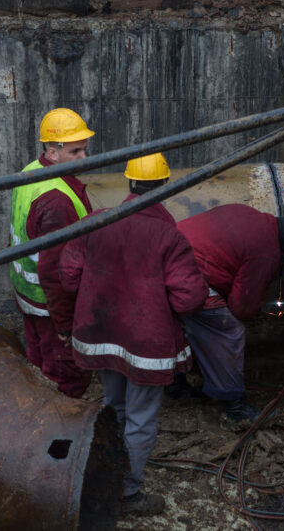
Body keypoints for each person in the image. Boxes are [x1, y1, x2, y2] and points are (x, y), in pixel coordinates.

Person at [59, 153, 207, 516]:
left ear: (129, 184)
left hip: (101, 335)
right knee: (141, 418)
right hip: (146, 345)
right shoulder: (168, 236)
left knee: (115, 407)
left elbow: (68, 276)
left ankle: (106, 476)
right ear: (165, 185)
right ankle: (126, 494)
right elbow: (189, 298)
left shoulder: (95, 222)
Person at [174, 204, 284, 431]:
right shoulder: (267, 251)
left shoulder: (247, 212)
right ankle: (235, 407)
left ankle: (174, 384)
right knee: (227, 329)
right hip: (187, 272)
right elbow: (241, 306)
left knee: (179, 323)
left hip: (165, 256)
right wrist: (257, 310)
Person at [9, 108, 95, 398]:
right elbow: (54, 270)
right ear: (52, 151)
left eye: (84, 149)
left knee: (38, 363)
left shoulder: (31, 171)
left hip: (28, 297)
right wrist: (66, 326)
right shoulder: (57, 201)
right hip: (51, 305)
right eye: (75, 151)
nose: (84, 158)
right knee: (67, 377)